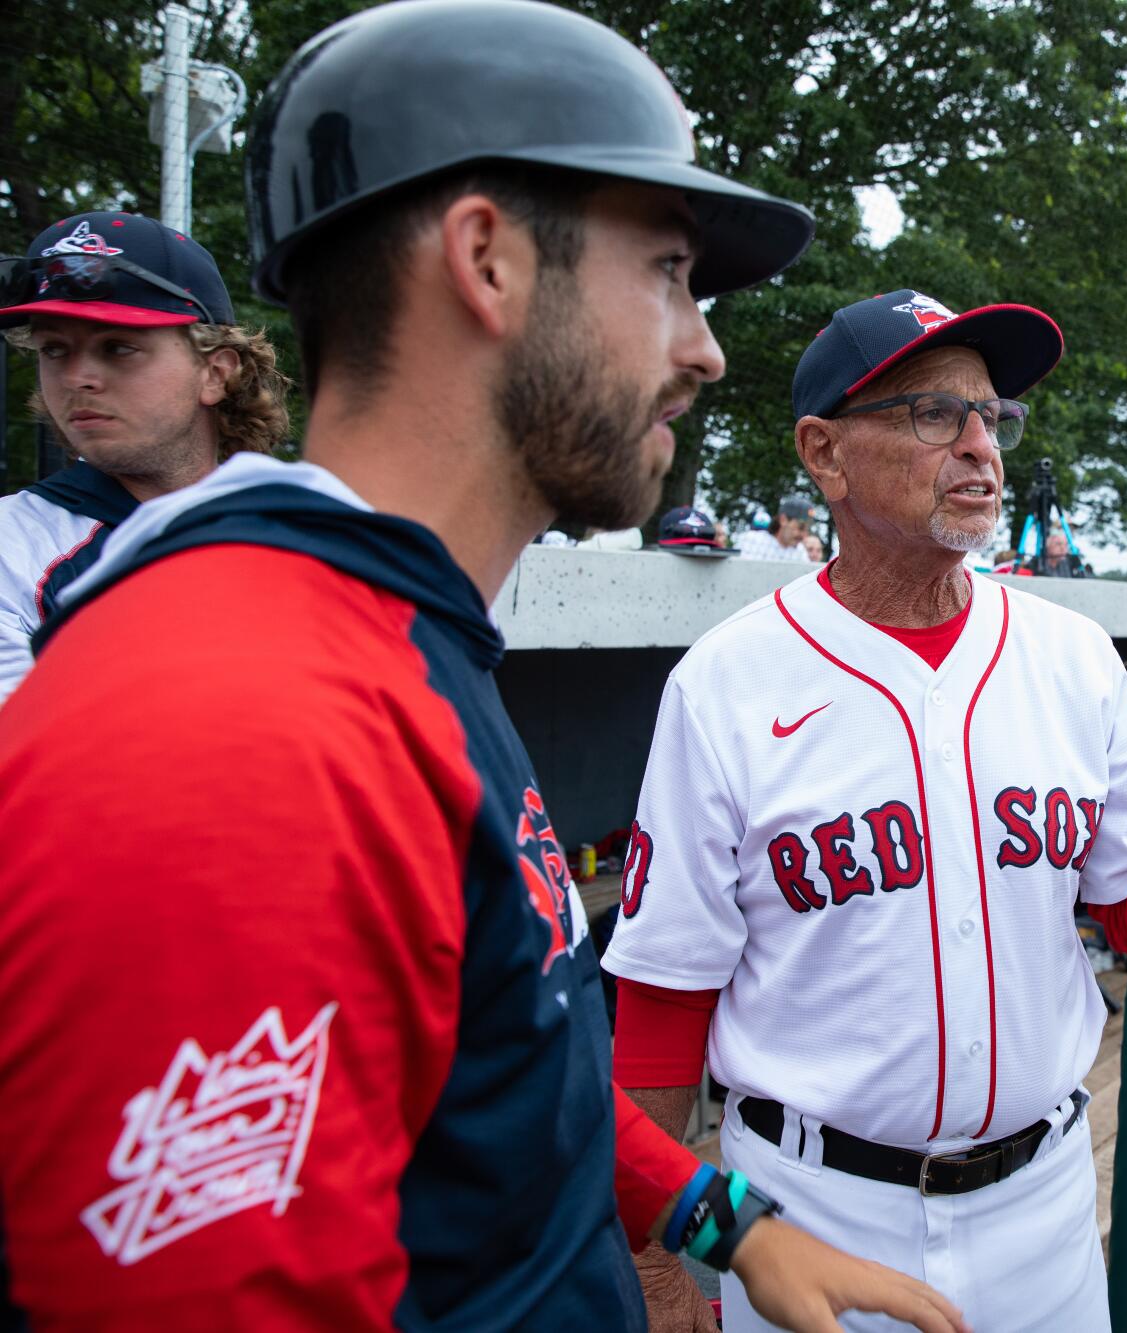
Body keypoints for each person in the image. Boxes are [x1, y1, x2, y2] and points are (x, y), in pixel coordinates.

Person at [0, 6, 963, 1331]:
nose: (705, 345)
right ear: (489, 261)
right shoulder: (238, 721)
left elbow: (496, 1053)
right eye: (671, 271)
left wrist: (713, 1216)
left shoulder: (382, 632)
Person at [603, 287, 1127, 1333]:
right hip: (808, 1213)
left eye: (991, 416)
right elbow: (664, 1003)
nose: (979, 447)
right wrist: (659, 1261)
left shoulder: (1069, 655)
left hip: (1042, 1201)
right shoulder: (726, 681)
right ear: (824, 454)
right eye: (932, 414)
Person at [0, 212, 288, 705]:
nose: (77, 378)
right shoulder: (14, 547)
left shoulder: (304, 536)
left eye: (119, 348)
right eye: (53, 350)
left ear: (216, 373)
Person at [736, 493, 819, 562]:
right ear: (783, 520)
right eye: (801, 528)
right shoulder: (753, 540)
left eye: (807, 529)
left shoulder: (800, 551)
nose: (804, 535)